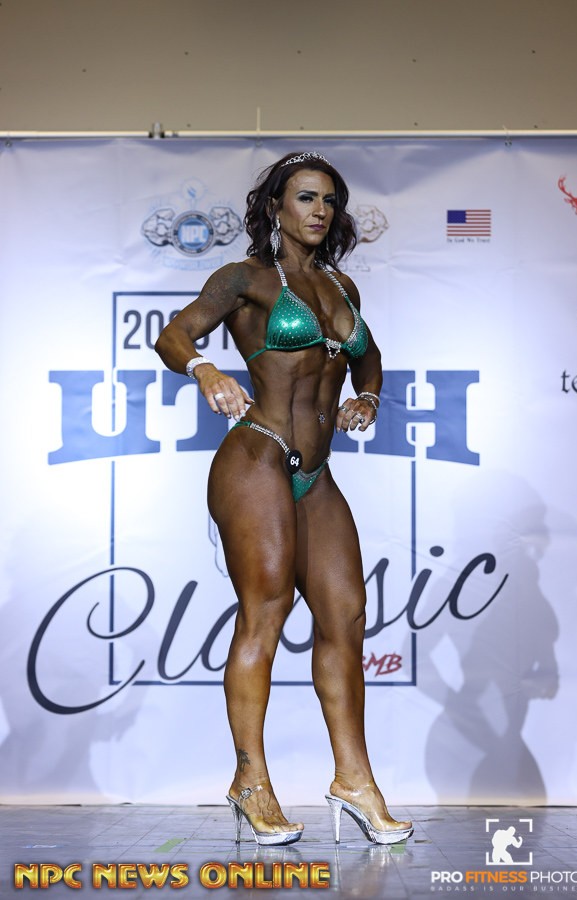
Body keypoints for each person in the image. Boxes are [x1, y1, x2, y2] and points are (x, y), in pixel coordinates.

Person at [155, 151, 413, 847]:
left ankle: (354, 781)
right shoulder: (244, 279)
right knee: (265, 612)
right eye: (305, 197)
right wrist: (205, 368)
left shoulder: (341, 286)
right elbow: (172, 334)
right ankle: (251, 780)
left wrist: (367, 398)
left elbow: (368, 358)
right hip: (256, 457)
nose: (319, 210)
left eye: (328, 200)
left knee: (346, 616)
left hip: (316, 472)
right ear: (276, 206)